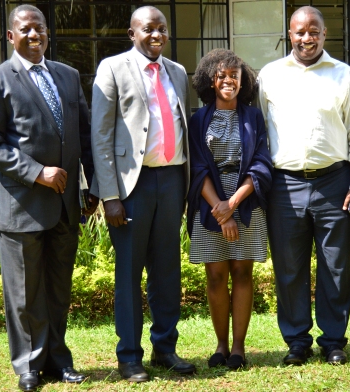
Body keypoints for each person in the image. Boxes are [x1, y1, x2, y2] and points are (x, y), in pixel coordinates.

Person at [0, 5, 97, 391]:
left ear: (47, 33)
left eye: (39, 29)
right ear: (11, 36)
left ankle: (59, 360)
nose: (34, 35)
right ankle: (28, 365)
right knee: (25, 294)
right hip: (22, 204)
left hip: (65, 204)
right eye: (25, 29)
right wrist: (35, 172)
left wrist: (93, 186)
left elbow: (84, 135)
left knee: (59, 288)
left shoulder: (67, 75)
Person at [257, 6, 350, 366]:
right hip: (283, 185)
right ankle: (296, 340)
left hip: (333, 183)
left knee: (335, 264)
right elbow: (259, 130)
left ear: (324, 34)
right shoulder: (270, 75)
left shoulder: (343, 75)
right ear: (290, 34)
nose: (307, 38)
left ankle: (333, 340)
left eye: (314, 31)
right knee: (289, 267)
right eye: (300, 32)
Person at [91, 5, 195, 382]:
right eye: (148, 29)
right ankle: (129, 356)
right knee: (130, 273)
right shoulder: (113, 68)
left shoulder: (178, 72)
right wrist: (109, 194)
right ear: (132, 33)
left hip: (171, 183)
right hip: (130, 187)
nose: (156, 35)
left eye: (162, 29)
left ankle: (165, 348)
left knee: (167, 272)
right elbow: (100, 135)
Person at [187, 49, 273, 370]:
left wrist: (233, 204)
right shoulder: (198, 119)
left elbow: (263, 165)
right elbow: (197, 168)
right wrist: (220, 211)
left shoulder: (253, 117)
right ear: (212, 80)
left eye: (234, 76)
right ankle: (220, 345)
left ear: (243, 80)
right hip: (209, 205)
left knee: (241, 272)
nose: (228, 80)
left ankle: (238, 348)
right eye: (222, 75)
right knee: (215, 275)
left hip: (246, 201)